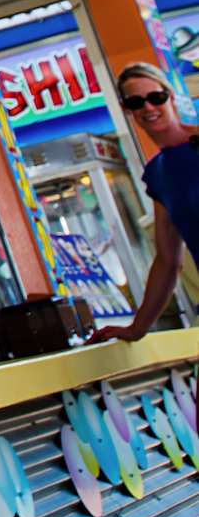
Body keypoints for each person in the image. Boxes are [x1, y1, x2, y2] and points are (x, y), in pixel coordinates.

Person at [90, 62, 198, 346]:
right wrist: (137, 328)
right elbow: (167, 259)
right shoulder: (158, 173)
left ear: (170, 96)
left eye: (156, 97)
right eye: (136, 102)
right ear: (126, 108)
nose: (148, 108)